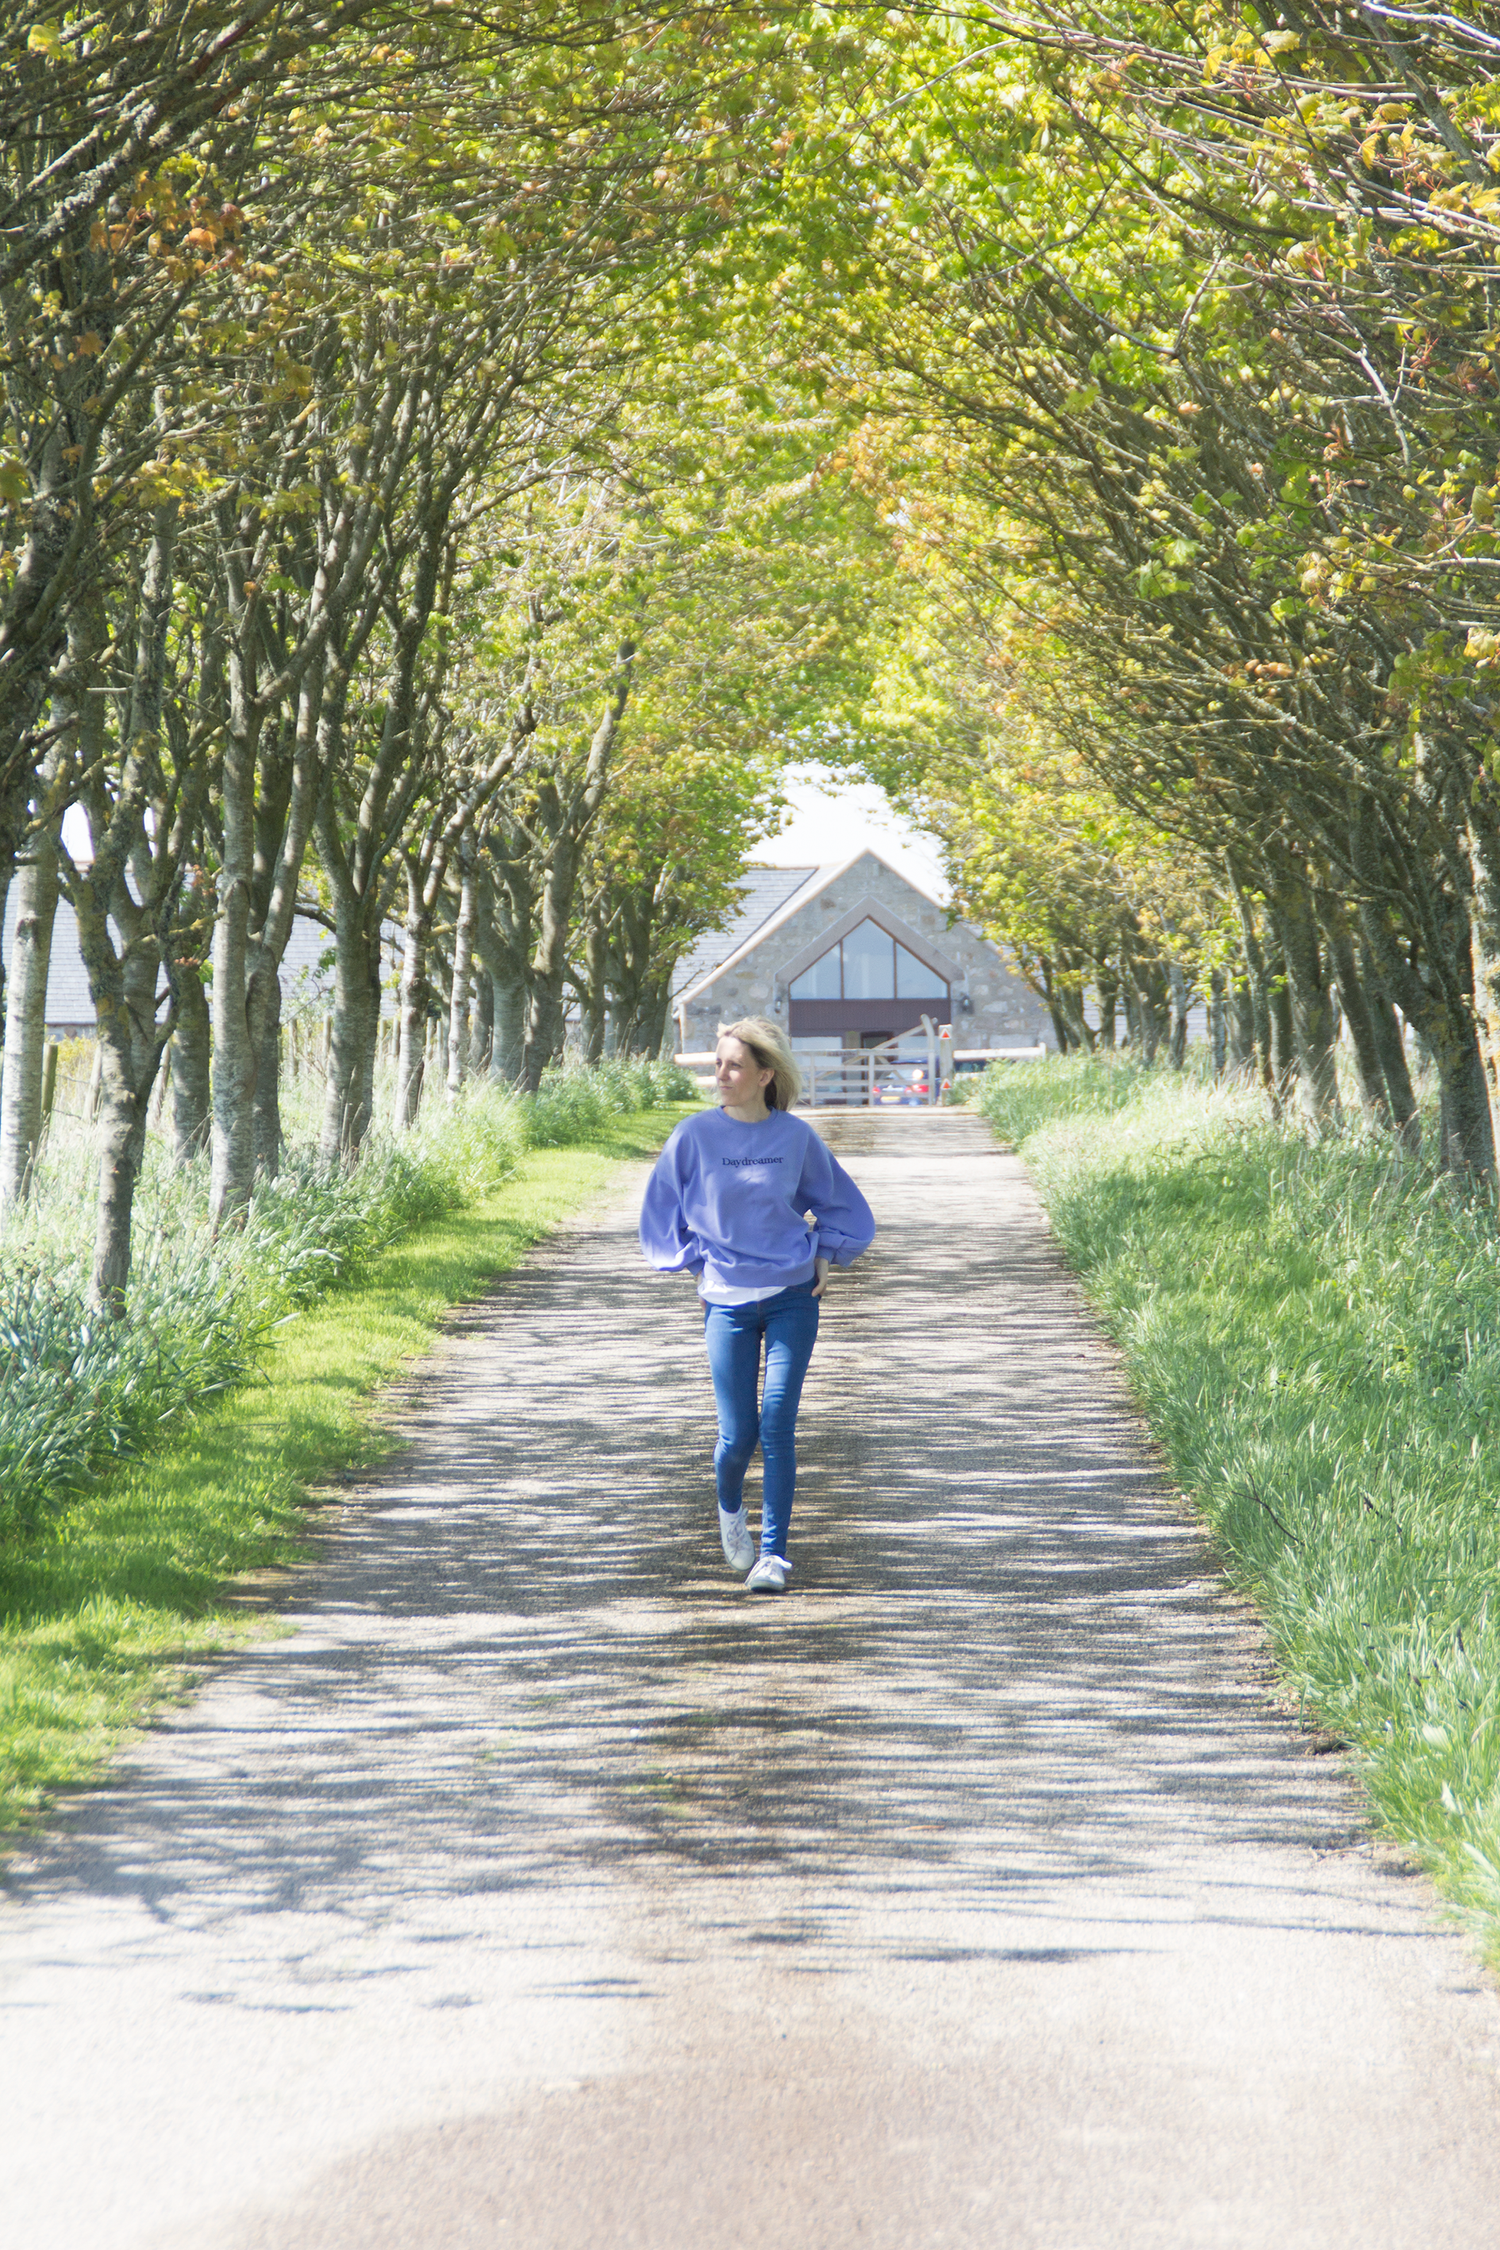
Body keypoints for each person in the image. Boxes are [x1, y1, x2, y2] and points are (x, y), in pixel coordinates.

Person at [639, 1016, 876, 1592]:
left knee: (777, 1424)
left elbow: (844, 1207)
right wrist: (698, 1265)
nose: (720, 1074)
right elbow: (658, 1218)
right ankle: (729, 1513)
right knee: (737, 1434)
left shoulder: (795, 1138)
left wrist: (826, 1251)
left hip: (794, 1295)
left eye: (734, 1065)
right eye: (717, 1063)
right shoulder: (692, 1137)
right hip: (726, 1303)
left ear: (765, 1075)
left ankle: (773, 1555)